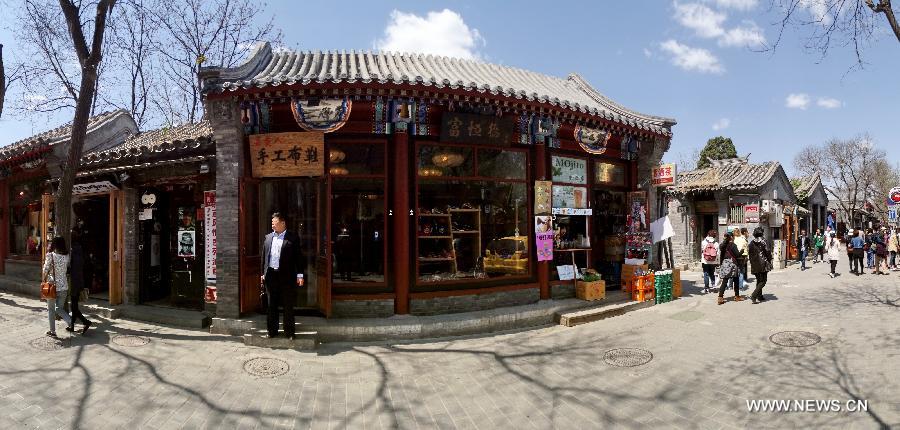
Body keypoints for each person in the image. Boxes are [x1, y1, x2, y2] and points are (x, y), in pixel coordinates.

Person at [260, 212, 304, 339]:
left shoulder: (293, 238)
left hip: (287, 277)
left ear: (283, 223)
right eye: (272, 223)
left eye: (275, 223)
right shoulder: (268, 238)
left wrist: (300, 275)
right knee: (271, 305)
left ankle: (289, 332)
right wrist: (262, 274)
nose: (273, 225)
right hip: (271, 276)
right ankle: (272, 331)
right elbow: (264, 257)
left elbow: (299, 258)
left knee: (287, 305)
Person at [43, 236, 73, 338]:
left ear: (54, 244)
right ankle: (70, 321)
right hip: (64, 286)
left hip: (52, 286)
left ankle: (52, 331)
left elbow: (45, 270)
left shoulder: (50, 255)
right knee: (59, 308)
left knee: (51, 309)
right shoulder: (67, 256)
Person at [68, 231, 92, 334]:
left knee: (73, 306)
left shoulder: (75, 250)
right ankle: (72, 326)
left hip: (75, 282)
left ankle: (85, 322)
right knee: (74, 305)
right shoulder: (80, 249)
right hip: (78, 280)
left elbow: (75, 269)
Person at [748, 227, 773, 304]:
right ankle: (754, 295)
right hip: (763, 263)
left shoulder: (751, 243)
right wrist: (770, 260)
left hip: (755, 263)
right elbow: (768, 252)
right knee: (763, 281)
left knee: (759, 280)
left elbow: (750, 254)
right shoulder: (763, 241)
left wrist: (752, 262)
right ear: (762, 233)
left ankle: (760, 296)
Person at [717, 232, 743, 305]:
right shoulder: (733, 245)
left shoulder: (722, 245)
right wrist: (742, 251)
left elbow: (721, 256)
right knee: (736, 280)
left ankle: (720, 297)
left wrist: (721, 264)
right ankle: (737, 296)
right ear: (731, 237)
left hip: (725, 263)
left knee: (724, 281)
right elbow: (737, 255)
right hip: (733, 264)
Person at [700, 230, 719, 294]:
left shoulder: (703, 242)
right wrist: (717, 262)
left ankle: (706, 288)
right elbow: (718, 253)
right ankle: (714, 286)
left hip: (705, 261)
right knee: (712, 273)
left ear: (708, 234)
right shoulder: (716, 243)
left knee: (706, 274)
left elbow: (702, 250)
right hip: (713, 261)